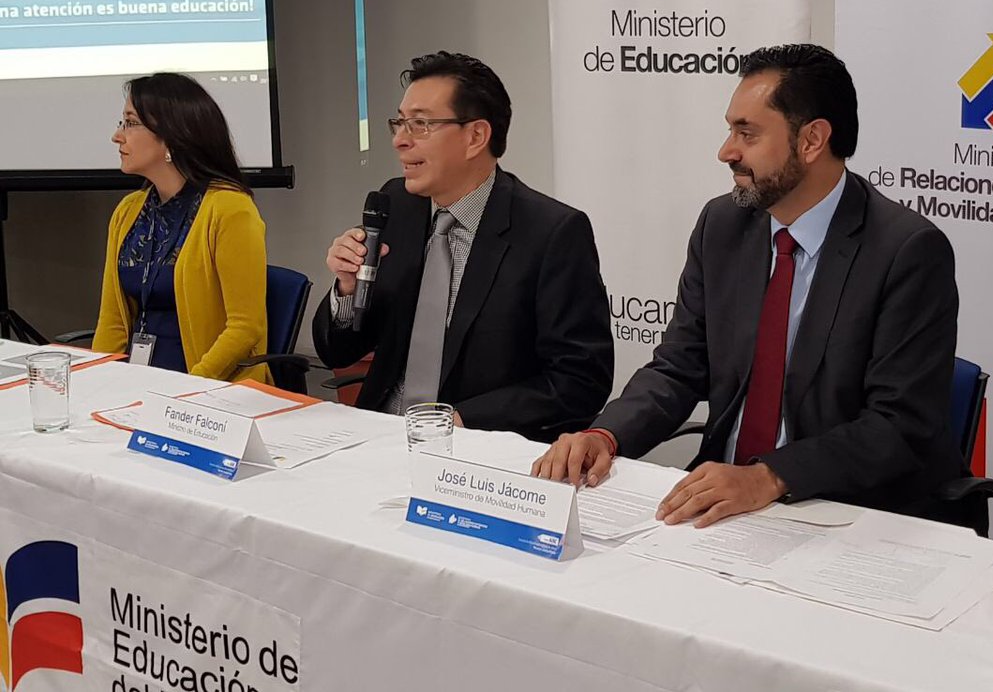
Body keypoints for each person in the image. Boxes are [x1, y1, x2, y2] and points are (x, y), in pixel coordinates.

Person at [533, 43, 979, 532]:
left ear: (811, 140)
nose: (727, 151)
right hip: (726, 507)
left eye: (747, 134)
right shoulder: (723, 225)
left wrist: (769, 477)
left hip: (845, 510)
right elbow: (679, 367)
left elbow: (898, 424)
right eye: (731, 130)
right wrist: (605, 435)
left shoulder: (905, 250)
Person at [312, 51, 613, 441]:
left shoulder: (551, 233)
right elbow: (338, 352)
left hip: (477, 450)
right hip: (379, 435)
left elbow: (580, 380)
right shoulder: (397, 206)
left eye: (420, 124)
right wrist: (348, 290)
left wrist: (462, 420)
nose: (400, 140)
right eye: (399, 123)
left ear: (475, 137)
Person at [93, 73, 270, 382]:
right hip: (137, 383)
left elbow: (245, 328)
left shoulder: (230, 209)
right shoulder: (127, 212)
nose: (117, 136)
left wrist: (186, 387)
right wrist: (97, 382)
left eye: (130, 123)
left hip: (210, 386)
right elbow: (112, 322)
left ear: (172, 136)